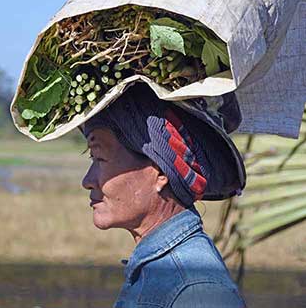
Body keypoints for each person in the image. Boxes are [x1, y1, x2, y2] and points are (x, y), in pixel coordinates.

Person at [80, 84, 247, 308]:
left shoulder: (197, 291)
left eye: (99, 158)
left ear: (159, 172)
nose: (87, 181)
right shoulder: (162, 273)